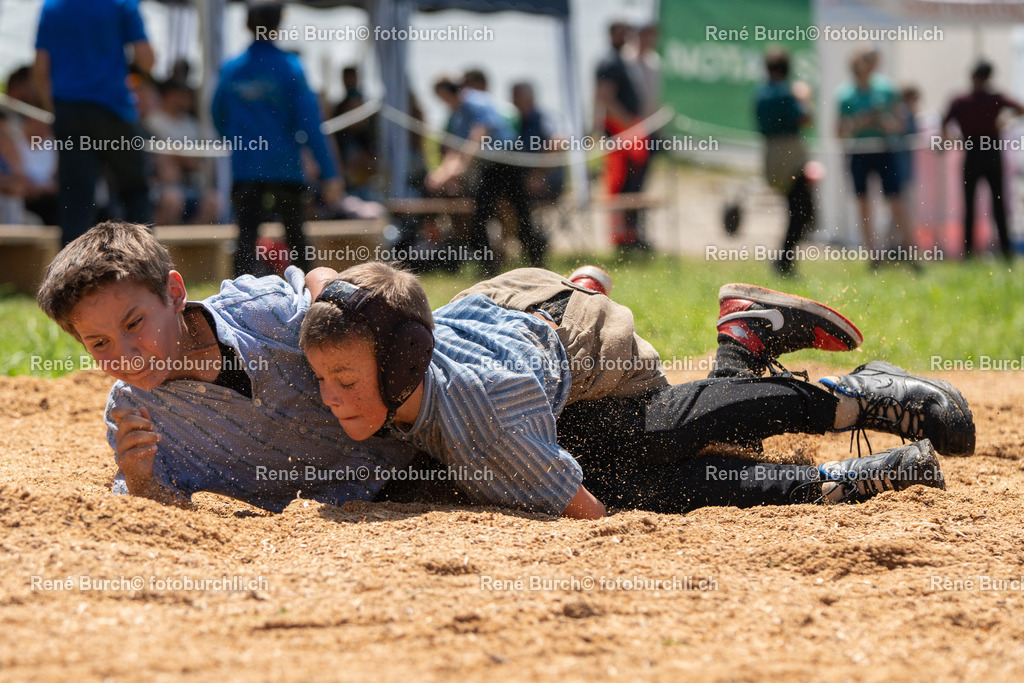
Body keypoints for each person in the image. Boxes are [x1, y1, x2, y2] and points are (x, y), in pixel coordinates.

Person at [299, 262, 975, 519]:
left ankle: (858, 398)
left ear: (402, 367)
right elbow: (322, 276)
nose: (329, 396)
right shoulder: (368, 354)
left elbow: (590, 512)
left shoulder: (487, 422)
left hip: (582, 344)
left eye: (347, 380)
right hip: (500, 303)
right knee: (627, 453)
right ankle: (743, 342)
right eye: (322, 377)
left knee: (637, 459)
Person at [35, 221, 421, 512]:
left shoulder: (262, 313)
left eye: (134, 323)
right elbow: (163, 515)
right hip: (384, 503)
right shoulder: (134, 415)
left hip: (427, 424)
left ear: (173, 293)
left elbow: (336, 302)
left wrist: (325, 289)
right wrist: (140, 480)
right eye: (99, 343)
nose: (126, 353)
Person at [212, 1, 343, 277]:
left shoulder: (232, 68)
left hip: (245, 166)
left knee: (246, 238)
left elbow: (217, 114)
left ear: (246, 25)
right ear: (278, 25)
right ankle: (310, 298)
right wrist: (329, 173)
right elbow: (310, 123)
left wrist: (238, 143)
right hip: (285, 167)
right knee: (297, 238)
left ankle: (236, 301)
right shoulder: (291, 67)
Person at [32, 0, 154, 245]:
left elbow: (40, 66)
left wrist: (53, 108)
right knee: (135, 193)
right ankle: (147, 270)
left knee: (75, 201)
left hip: (69, 111)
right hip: (114, 110)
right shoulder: (122, 5)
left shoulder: (52, 7)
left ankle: (69, 280)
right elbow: (146, 59)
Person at [427, 76, 547, 275]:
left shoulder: (474, 101)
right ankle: (492, 264)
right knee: (484, 213)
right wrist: (444, 172)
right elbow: (456, 146)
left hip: (506, 163)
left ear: (448, 92)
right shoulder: (460, 112)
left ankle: (534, 261)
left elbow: (479, 133)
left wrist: (460, 167)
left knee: (517, 212)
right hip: (491, 165)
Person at [941, 61, 1024, 261]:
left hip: (973, 153)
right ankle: (1005, 251)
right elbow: (1020, 109)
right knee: (998, 203)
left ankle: (969, 252)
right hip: (991, 151)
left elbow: (944, 124)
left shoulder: (961, 100)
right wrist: (1003, 123)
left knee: (970, 204)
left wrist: (954, 141)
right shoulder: (995, 98)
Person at [836, 49, 910, 266]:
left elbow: (900, 125)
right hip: (858, 152)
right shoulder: (845, 95)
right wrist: (863, 121)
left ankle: (908, 250)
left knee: (895, 200)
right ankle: (873, 255)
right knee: (863, 203)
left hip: (884, 150)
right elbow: (839, 132)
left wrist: (883, 122)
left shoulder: (887, 90)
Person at [754, 48, 814, 276]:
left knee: (796, 209)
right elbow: (805, 118)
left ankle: (784, 259)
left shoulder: (760, 93)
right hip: (790, 153)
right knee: (802, 210)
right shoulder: (787, 93)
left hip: (769, 152)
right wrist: (805, 98)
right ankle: (784, 259)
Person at [596, 21, 651, 252]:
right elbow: (605, 98)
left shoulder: (622, 60)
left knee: (633, 184)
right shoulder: (609, 62)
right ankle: (621, 237)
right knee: (620, 187)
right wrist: (628, 124)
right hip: (620, 132)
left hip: (627, 131)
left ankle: (631, 234)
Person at [146, 79, 219, 225]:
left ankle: (194, 245)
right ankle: (162, 246)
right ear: (170, 96)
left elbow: (197, 162)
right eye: (182, 95)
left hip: (189, 183)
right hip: (161, 183)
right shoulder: (152, 121)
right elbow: (163, 158)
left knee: (214, 202)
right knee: (173, 200)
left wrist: (182, 157)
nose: (188, 100)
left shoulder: (192, 125)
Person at [511, 81, 564, 202]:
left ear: (530, 98)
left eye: (516, 96)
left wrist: (538, 174)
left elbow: (558, 142)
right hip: (524, 182)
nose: (513, 101)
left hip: (547, 180)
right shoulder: (518, 122)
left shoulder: (544, 118)